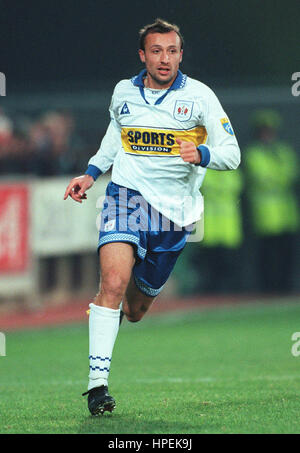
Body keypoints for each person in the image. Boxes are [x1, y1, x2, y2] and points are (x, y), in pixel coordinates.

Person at [64, 18, 240, 416]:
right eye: (157, 51)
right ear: (143, 55)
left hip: (174, 215)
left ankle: (112, 313)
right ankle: (97, 388)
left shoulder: (200, 98)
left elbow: (233, 152)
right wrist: (91, 173)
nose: (165, 59)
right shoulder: (124, 92)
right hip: (125, 197)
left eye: (173, 51)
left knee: (135, 310)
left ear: (181, 54)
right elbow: (116, 131)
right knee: (111, 281)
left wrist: (204, 154)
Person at [244, 109, 299, 294]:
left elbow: (291, 173)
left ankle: (286, 288)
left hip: (286, 213)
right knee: (267, 255)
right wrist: (278, 177)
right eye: (264, 130)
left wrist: (276, 178)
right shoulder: (253, 153)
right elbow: (261, 176)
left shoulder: (283, 151)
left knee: (287, 254)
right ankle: (268, 289)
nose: (268, 134)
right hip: (265, 214)